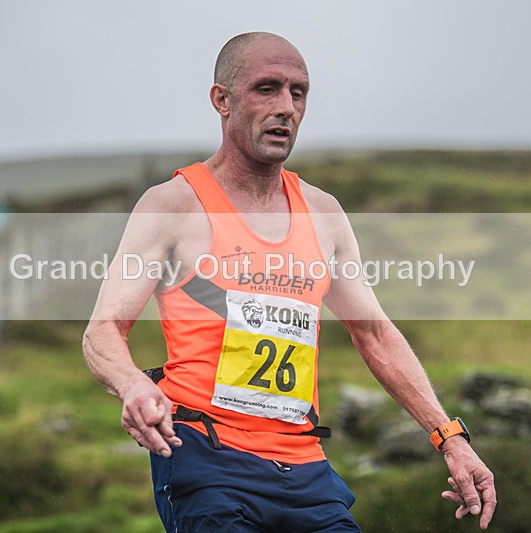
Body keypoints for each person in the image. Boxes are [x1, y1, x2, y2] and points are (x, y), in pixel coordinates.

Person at [83, 32, 496, 531]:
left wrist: (449, 437)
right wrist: (132, 386)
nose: (286, 107)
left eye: (297, 93)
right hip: (207, 462)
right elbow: (102, 331)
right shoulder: (173, 205)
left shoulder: (323, 213)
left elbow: (375, 334)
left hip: (304, 469)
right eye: (266, 89)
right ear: (222, 100)